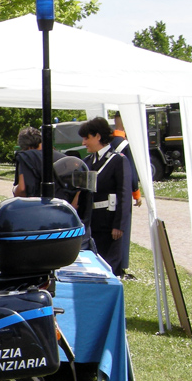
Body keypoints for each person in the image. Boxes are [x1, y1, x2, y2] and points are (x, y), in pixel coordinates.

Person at [79, 116, 132, 276]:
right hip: (92, 221)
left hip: (109, 223)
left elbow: (124, 194)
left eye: (86, 138)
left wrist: (119, 225)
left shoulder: (117, 161)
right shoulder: (88, 161)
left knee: (108, 267)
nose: (83, 143)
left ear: (98, 136)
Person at [111, 112, 141, 277]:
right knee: (124, 227)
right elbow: (131, 173)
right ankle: (121, 265)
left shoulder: (109, 142)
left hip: (108, 192)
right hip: (122, 191)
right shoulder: (125, 145)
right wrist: (136, 193)